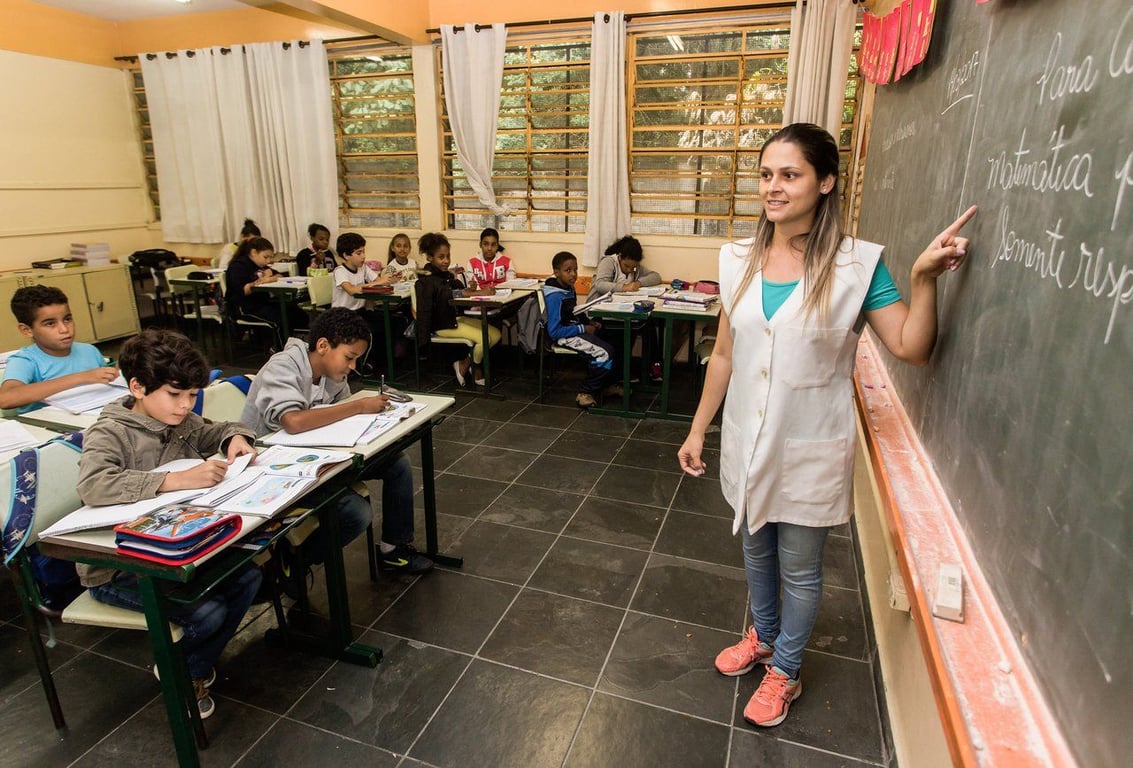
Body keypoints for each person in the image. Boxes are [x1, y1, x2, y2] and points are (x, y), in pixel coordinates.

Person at [676, 123, 975, 729]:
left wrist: (922, 280)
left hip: (811, 445)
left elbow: (912, 347)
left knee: (801, 568)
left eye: (790, 175)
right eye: (766, 175)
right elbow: (727, 355)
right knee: (755, 549)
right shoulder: (737, 259)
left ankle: (785, 669)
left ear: (826, 182)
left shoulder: (858, 267)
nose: (774, 188)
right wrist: (698, 428)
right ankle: (761, 636)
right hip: (747, 438)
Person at [76, 329, 261, 720]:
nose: (184, 406)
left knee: (247, 577)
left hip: (172, 547)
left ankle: (189, 665)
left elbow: (213, 428)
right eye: (175, 395)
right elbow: (94, 484)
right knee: (206, 612)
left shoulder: (178, 418)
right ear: (138, 387)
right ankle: (183, 672)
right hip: (118, 567)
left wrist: (235, 437)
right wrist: (173, 480)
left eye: (192, 395)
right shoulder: (110, 432)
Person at [240, 307, 433, 575]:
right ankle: (292, 564)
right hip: (275, 468)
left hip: (318, 456)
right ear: (322, 346)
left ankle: (393, 550)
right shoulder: (283, 366)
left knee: (397, 464)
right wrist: (358, 408)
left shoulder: (332, 374)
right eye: (349, 357)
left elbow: (341, 413)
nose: (352, 367)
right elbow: (293, 421)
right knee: (357, 513)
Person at [0, 286, 118, 413]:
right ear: (27, 330)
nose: (64, 329)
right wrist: (80, 377)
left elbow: (109, 384)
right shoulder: (25, 360)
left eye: (67, 319)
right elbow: (6, 399)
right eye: (50, 323)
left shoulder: (89, 351)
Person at [415, 232, 500, 387]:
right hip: (442, 325)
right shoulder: (426, 280)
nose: (446, 261)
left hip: (453, 319)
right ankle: (473, 368)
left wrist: (470, 288)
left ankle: (465, 364)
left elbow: (458, 292)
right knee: (484, 339)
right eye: (441, 257)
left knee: (495, 334)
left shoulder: (446, 275)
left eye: (448, 256)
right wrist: (477, 292)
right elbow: (447, 295)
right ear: (430, 258)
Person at [542, 251, 618, 408]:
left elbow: (573, 312)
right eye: (568, 270)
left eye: (575, 269)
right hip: (564, 336)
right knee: (604, 353)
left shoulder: (568, 288)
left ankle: (604, 385)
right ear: (556, 272)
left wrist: (589, 322)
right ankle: (586, 392)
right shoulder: (555, 296)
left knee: (613, 339)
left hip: (574, 328)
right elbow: (554, 331)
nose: (573, 274)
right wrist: (584, 327)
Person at [592, 235, 665, 383]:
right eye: (626, 266)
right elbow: (599, 284)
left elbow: (656, 277)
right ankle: (621, 373)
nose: (630, 270)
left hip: (624, 312)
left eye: (633, 267)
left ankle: (654, 368)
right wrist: (624, 287)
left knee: (649, 325)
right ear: (620, 257)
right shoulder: (609, 262)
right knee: (627, 330)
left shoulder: (635, 268)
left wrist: (639, 282)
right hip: (602, 314)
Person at [223, 235, 307, 345]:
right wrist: (263, 280)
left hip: (262, 303)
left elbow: (279, 275)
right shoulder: (238, 266)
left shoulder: (260, 265)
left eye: (270, 257)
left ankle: (297, 346)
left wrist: (269, 278)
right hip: (244, 308)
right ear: (254, 253)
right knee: (280, 319)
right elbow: (244, 290)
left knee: (298, 314)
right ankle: (280, 350)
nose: (268, 261)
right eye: (266, 257)